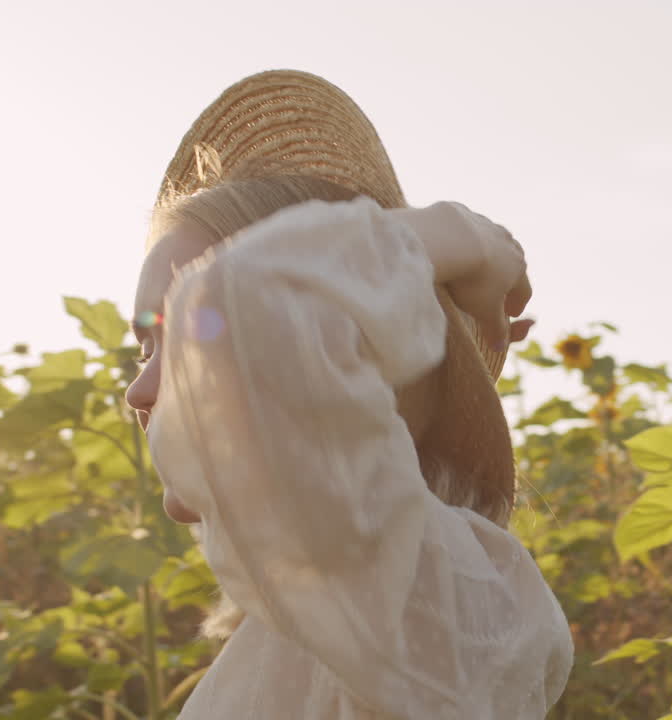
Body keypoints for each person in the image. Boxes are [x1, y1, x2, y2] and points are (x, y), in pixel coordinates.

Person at [125, 70, 573, 718]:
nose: (139, 390)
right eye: (145, 346)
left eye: (197, 335)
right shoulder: (333, 608)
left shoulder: (449, 591)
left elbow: (249, 295)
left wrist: (460, 239)